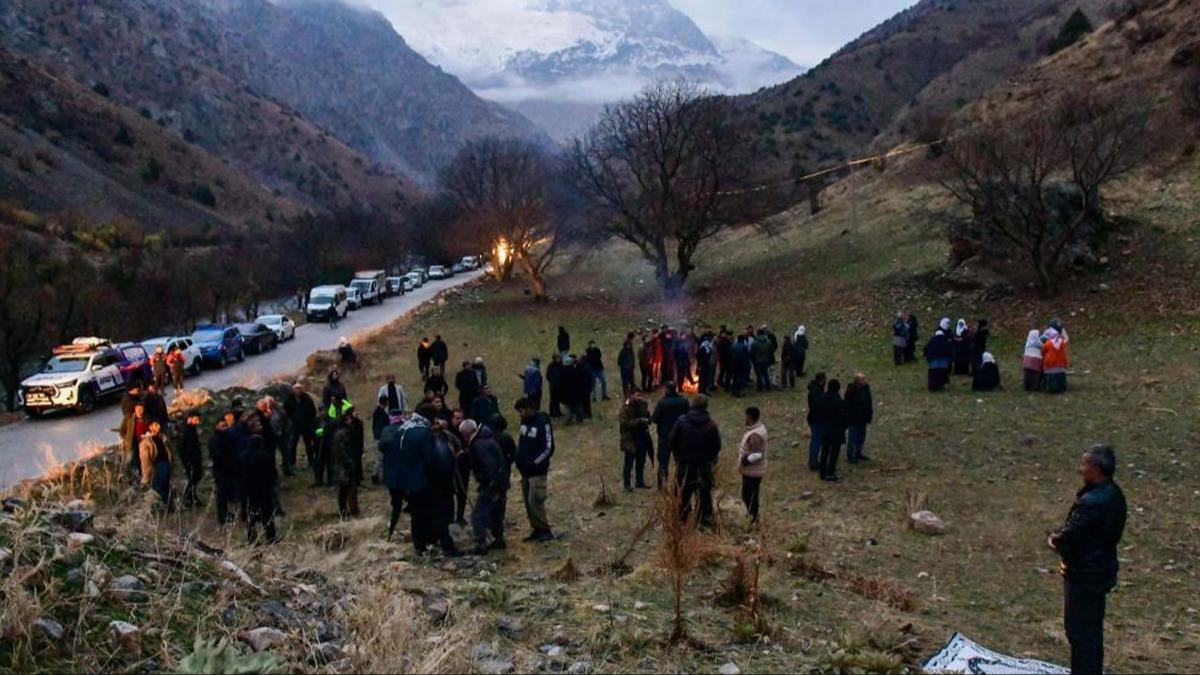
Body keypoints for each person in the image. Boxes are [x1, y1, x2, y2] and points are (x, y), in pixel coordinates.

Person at [1048, 445, 1127, 675]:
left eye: (1085, 464)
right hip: (1100, 572)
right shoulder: (1114, 494)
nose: (1080, 469)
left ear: (1096, 469)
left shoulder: (1092, 503)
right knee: (1092, 632)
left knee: (1080, 633)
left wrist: (1055, 540)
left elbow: (1073, 535)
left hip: (1084, 575)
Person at [668, 395, 721, 528]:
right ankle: (703, 520)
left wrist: (678, 455)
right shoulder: (711, 425)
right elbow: (716, 447)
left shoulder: (682, 421)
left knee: (682, 494)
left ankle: (682, 520)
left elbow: (671, 440)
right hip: (703, 466)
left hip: (685, 465)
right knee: (703, 494)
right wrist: (709, 458)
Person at [460, 419, 509, 554]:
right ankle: (499, 538)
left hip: (491, 485)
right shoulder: (487, 438)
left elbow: (489, 466)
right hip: (501, 482)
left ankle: (481, 543)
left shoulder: (478, 445)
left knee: (478, 514)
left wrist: (491, 486)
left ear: (466, 434)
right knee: (497, 511)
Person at [514, 397, 554, 542]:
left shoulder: (542, 422)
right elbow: (522, 442)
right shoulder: (524, 422)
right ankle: (536, 529)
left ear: (530, 408)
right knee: (527, 502)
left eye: (522, 411)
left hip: (538, 471)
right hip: (524, 470)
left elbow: (549, 447)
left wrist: (534, 462)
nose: (520, 414)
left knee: (535, 500)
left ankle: (545, 530)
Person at [429, 415, 463, 556]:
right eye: (435, 423)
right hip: (436, 484)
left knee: (449, 513)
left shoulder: (447, 436)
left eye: (439, 422)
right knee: (441, 515)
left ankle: (450, 541)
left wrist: (456, 458)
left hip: (449, 482)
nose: (438, 425)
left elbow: (459, 448)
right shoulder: (428, 440)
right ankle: (445, 544)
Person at [651, 382, 689, 488]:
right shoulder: (684, 401)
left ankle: (662, 484)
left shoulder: (662, 403)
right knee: (680, 462)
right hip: (680, 436)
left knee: (663, 462)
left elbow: (654, 419)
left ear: (666, 389)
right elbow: (689, 415)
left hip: (664, 436)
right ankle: (680, 484)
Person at [241, 435, 279, 544]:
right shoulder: (265, 456)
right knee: (267, 515)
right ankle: (271, 537)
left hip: (248, 491)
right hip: (263, 490)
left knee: (250, 516)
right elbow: (272, 473)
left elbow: (238, 474)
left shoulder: (243, 456)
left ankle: (252, 539)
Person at [330, 403, 363, 518]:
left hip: (349, 464)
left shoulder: (349, 432)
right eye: (348, 420)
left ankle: (354, 510)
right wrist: (348, 462)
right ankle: (344, 511)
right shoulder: (340, 435)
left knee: (352, 489)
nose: (350, 421)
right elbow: (340, 452)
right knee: (344, 490)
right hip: (343, 467)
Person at [618, 390, 653, 492]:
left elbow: (648, 416)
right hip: (630, 438)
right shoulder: (626, 407)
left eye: (640, 395)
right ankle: (627, 484)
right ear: (631, 395)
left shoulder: (642, 404)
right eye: (637, 395)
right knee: (629, 462)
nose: (639, 397)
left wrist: (648, 418)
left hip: (642, 436)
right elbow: (624, 423)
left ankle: (639, 481)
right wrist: (639, 421)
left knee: (641, 460)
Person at [737, 407, 767, 524]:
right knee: (750, 495)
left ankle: (753, 518)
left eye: (746, 416)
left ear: (750, 417)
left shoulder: (755, 435)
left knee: (749, 496)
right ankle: (752, 517)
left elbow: (756, 454)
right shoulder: (757, 430)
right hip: (753, 470)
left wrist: (743, 460)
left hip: (752, 471)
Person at [209, 417, 240, 525]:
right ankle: (222, 515)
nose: (225, 428)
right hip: (221, 470)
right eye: (223, 426)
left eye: (226, 426)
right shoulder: (215, 440)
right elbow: (217, 456)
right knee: (221, 494)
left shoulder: (226, 437)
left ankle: (226, 513)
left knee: (226, 492)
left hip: (229, 469)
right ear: (217, 426)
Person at [139, 420, 173, 509]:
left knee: (166, 486)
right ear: (150, 427)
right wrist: (146, 475)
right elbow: (145, 460)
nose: (159, 427)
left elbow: (170, 451)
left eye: (159, 424)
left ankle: (168, 506)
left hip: (167, 463)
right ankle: (152, 508)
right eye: (156, 425)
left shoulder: (162, 437)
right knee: (158, 488)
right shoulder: (146, 442)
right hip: (158, 466)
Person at [818, 379, 847, 482]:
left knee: (824, 451)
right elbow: (844, 417)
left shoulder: (823, 398)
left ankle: (822, 472)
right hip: (836, 430)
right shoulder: (839, 401)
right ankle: (830, 472)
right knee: (834, 452)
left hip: (825, 428)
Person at [844, 373, 874, 463]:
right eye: (863, 379)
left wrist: (869, 414)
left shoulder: (866, 388)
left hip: (863, 418)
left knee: (861, 437)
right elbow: (847, 404)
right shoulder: (851, 390)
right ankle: (850, 455)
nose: (865, 380)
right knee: (852, 438)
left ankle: (858, 453)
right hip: (854, 419)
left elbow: (869, 401)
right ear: (857, 381)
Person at [120, 403, 151, 480]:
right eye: (139, 409)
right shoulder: (129, 418)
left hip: (144, 442)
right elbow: (122, 430)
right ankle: (130, 476)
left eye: (142, 409)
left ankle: (145, 474)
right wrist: (126, 439)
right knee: (131, 459)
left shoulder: (146, 418)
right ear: (135, 409)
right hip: (133, 442)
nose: (140, 411)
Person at [178, 415, 204, 508]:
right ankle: (188, 497)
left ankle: (192, 497)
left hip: (194, 457)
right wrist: (186, 460)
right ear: (190, 418)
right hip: (190, 458)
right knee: (193, 477)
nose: (198, 421)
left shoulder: (191, 429)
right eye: (196, 419)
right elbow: (182, 447)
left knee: (196, 476)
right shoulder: (185, 430)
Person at [806, 373, 827, 471]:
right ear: (822, 380)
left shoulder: (814, 390)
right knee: (817, 442)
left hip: (814, 418)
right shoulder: (817, 392)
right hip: (817, 419)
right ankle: (814, 463)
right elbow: (818, 405)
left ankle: (812, 460)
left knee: (815, 441)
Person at [924, 320, 953, 391]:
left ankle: (933, 387)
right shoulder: (945, 341)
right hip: (944, 361)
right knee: (942, 374)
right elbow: (950, 349)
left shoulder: (932, 340)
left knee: (934, 374)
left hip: (933, 361)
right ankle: (941, 386)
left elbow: (926, 348)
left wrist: (927, 356)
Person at [1042, 326, 1070, 394]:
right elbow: (1067, 339)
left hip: (1049, 368)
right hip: (1061, 368)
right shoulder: (1062, 343)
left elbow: (1042, 352)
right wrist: (1064, 331)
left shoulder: (1048, 343)